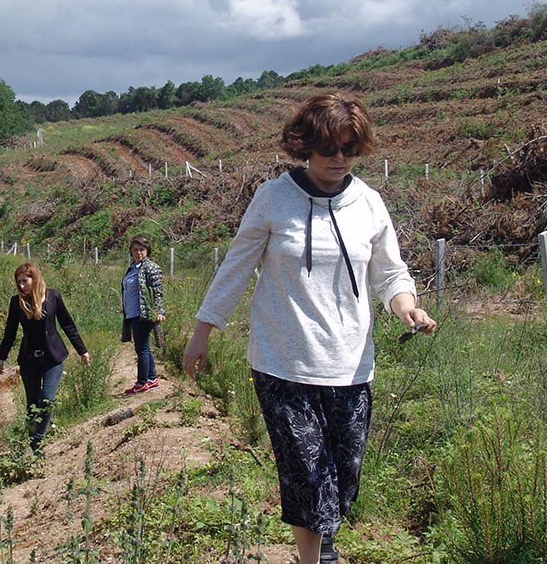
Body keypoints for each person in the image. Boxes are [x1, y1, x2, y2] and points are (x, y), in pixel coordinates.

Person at [182, 93, 437, 564]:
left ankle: (325, 542)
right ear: (305, 147)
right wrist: (203, 331)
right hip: (284, 361)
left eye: (350, 149)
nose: (340, 159)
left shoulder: (369, 203)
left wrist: (407, 307)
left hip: (350, 365)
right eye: (329, 149)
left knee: (341, 477)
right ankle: (316, 559)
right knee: (307, 474)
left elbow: (390, 273)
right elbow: (236, 267)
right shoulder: (274, 198)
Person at [0, 262, 91, 453]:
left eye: (26, 280)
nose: (22, 285)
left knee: (47, 399)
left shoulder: (52, 296)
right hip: (29, 360)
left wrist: (82, 350)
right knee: (32, 404)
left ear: (35, 279)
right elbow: (10, 332)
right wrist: (1, 357)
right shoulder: (17, 302)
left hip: (52, 358)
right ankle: (33, 447)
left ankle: (36, 442)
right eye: (19, 282)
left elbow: (68, 325)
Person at [120, 235, 166, 395]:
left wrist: (159, 311)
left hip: (144, 313)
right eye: (135, 250)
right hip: (132, 313)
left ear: (147, 251)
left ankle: (141, 382)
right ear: (131, 252)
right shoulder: (132, 267)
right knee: (144, 346)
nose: (138, 252)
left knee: (141, 348)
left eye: (141, 249)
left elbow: (157, 291)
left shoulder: (151, 267)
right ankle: (152, 378)